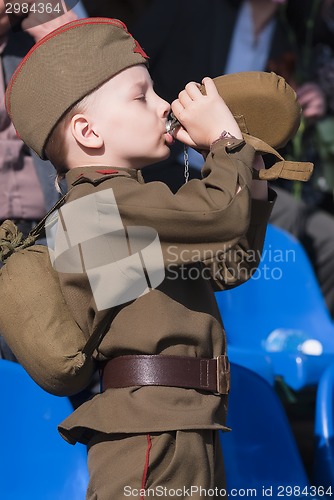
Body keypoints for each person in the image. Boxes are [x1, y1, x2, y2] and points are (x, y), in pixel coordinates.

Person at [5, 18, 278, 498]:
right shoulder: (95, 212)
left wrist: (248, 171)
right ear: (88, 132)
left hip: (184, 421)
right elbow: (218, 215)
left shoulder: (124, 205)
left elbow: (228, 263)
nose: (164, 106)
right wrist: (224, 144)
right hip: (151, 436)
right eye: (141, 96)